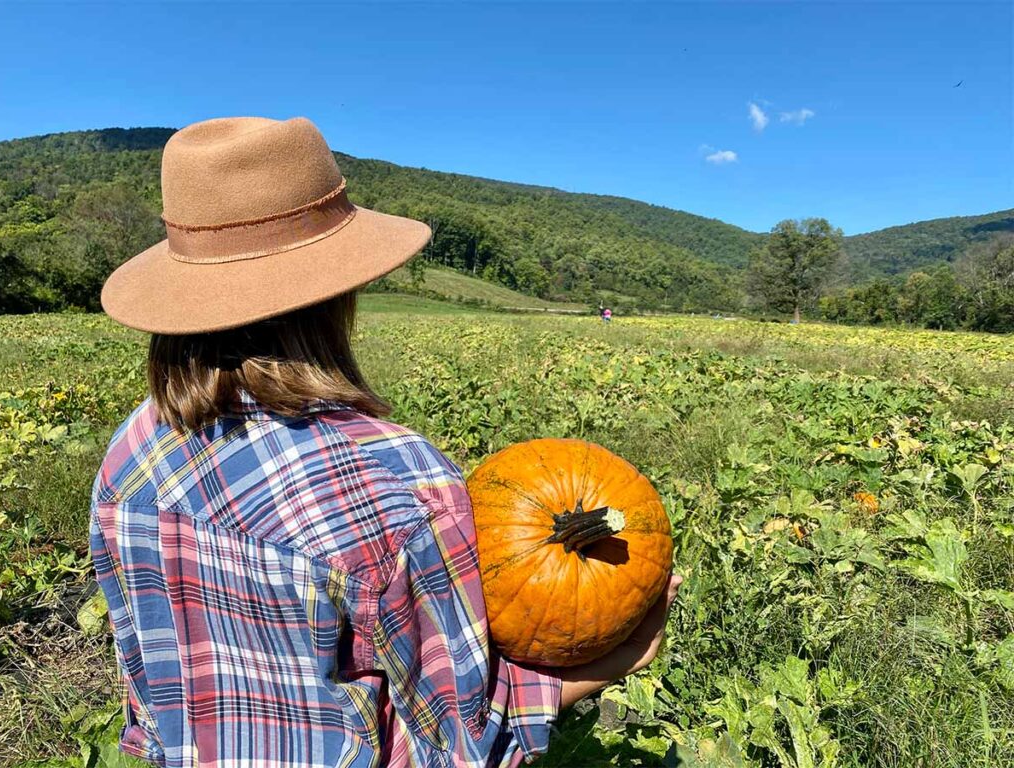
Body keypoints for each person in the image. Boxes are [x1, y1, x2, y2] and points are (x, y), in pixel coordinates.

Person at [91, 116, 681, 768]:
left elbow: (151, 681)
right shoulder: (396, 484)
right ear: (340, 289)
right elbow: (461, 745)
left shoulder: (132, 452)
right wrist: (599, 669)